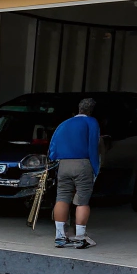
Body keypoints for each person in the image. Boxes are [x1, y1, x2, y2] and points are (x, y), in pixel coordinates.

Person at [48, 97, 100, 249]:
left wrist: (55, 159)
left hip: (64, 164)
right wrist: (95, 169)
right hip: (83, 163)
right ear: (91, 111)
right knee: (82, 201)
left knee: (62, 198)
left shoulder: (64, 124)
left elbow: (53, 146)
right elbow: (93, 146)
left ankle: (60, 236)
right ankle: (80, 238)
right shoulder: (91, 122)